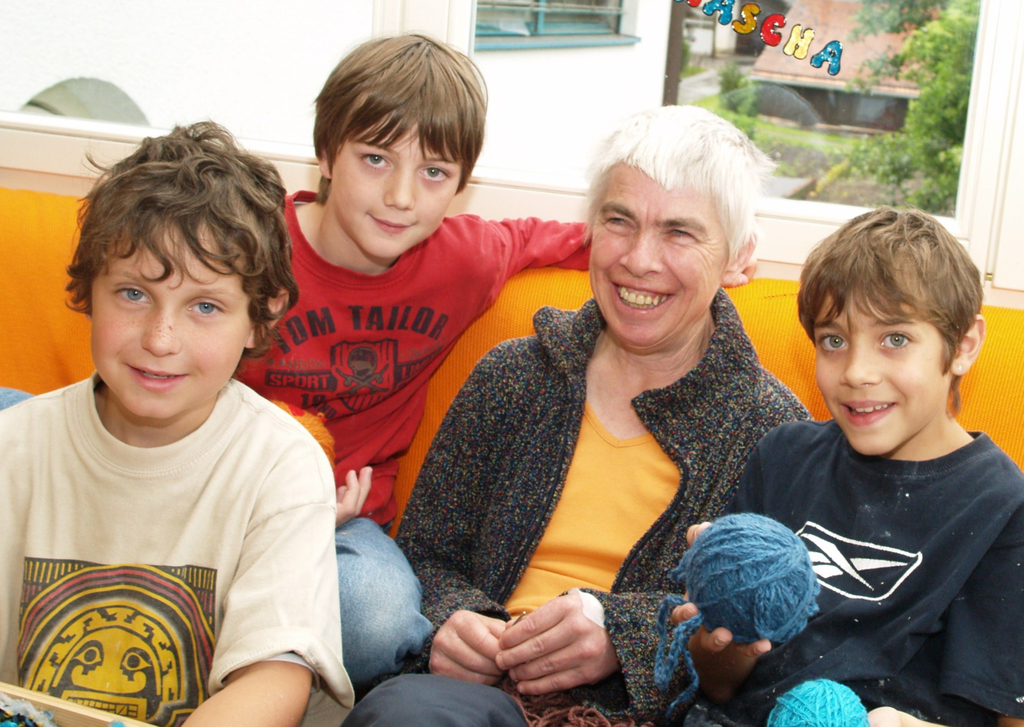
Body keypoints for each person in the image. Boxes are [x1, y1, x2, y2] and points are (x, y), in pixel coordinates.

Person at [342, 105, 810, 727]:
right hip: (474, 701)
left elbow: (765, 629)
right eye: (619, 221)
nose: (639, 259)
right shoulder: (513, 376)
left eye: (679, 232)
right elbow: (426, 552)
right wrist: (450, 620)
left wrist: (621, 634)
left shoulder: (774, 433)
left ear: (737, 255)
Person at [234, 33, 590, 689]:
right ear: (326, 154)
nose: (401, 196)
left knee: (379, 621)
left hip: (347, 530)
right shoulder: (250, 247)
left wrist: (709, 244)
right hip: (223, 495)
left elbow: (573, 241)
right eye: (375, 158)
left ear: (461, 184)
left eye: (433, 172)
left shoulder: (461, 260)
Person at [0, 123, 352, 727]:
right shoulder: (15, 446)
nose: (161, 340)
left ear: (260, 316)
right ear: (88, 290)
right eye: (133, 294)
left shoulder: (281, 466)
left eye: (205, 306)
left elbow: (274, 680)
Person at [679, 208, 1024, 727]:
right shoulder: (783, 457)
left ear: (964, 346)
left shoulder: (1003, 509)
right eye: (834, 340)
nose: (858, 373)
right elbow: (717, 685)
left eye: (895, 339)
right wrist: (722, 637)